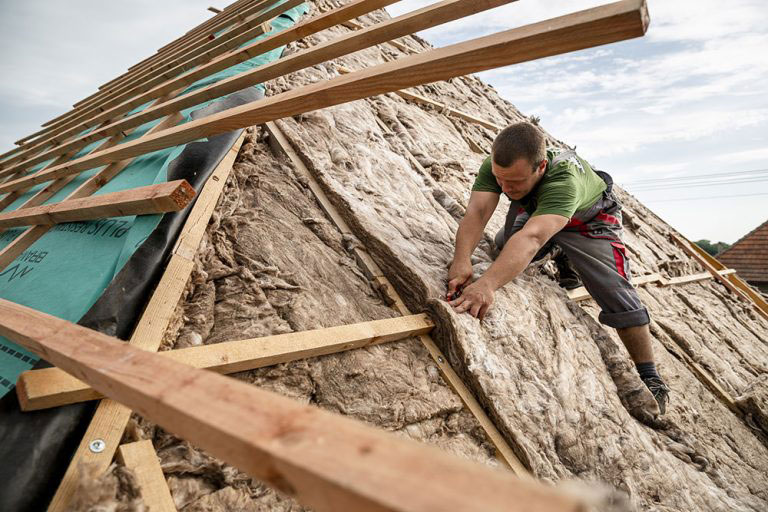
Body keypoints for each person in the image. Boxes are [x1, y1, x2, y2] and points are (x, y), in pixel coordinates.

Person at [446, 121, 670, 414]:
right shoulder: (499, 166)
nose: (505, 188)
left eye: (514, 182)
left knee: (614, 290)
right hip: (542, 213)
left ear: (541, 167)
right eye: (500, 180)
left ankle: (650, 375)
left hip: (589, 221)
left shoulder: (564, 182)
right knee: (503, 248)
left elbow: (532, 236)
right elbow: (477, 211)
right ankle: (559, 250)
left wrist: (486, 285)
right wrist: (461, 259)